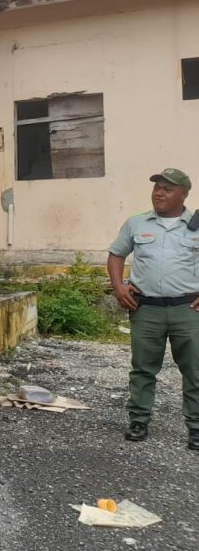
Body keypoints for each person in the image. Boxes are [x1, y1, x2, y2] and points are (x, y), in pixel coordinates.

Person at [107, 168, 199, 451]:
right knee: (143, 369)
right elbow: (116, 254)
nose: (159, 193)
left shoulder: (196, 224)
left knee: (195, 370)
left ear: (183, 194)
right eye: (157, 187)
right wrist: (119, 287)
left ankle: (196, 427)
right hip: (146, 309)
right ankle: (138, 420)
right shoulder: (136, 223)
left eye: (167, 189)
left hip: (188, 309)